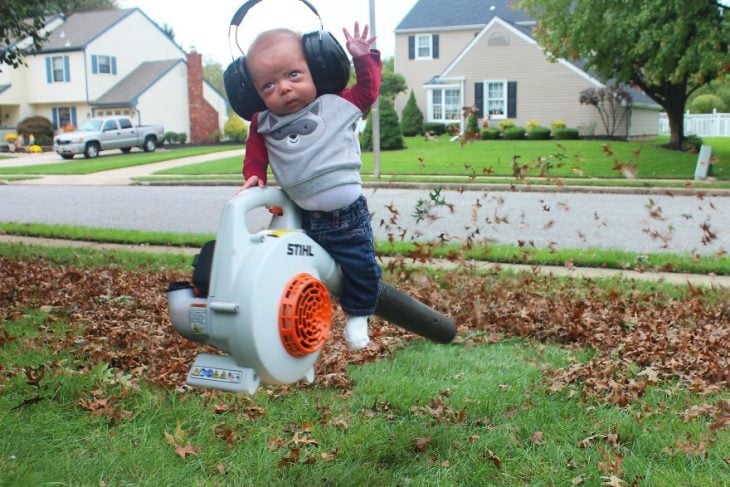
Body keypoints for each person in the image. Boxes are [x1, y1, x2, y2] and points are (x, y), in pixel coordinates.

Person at [239, 23, 381, 350]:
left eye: (293, 75)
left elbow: (368, 90)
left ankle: (358, 314)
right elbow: (255, 153)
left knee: (361, 267)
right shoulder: (264, 123)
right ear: (252, 93)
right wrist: (255, 174)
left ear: (317, 68)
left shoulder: (337, 103)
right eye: (269, 85)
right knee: (298, 273)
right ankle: (301, 327)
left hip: (348, 216)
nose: (284, 89)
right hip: (304, 219)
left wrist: (363, 58)